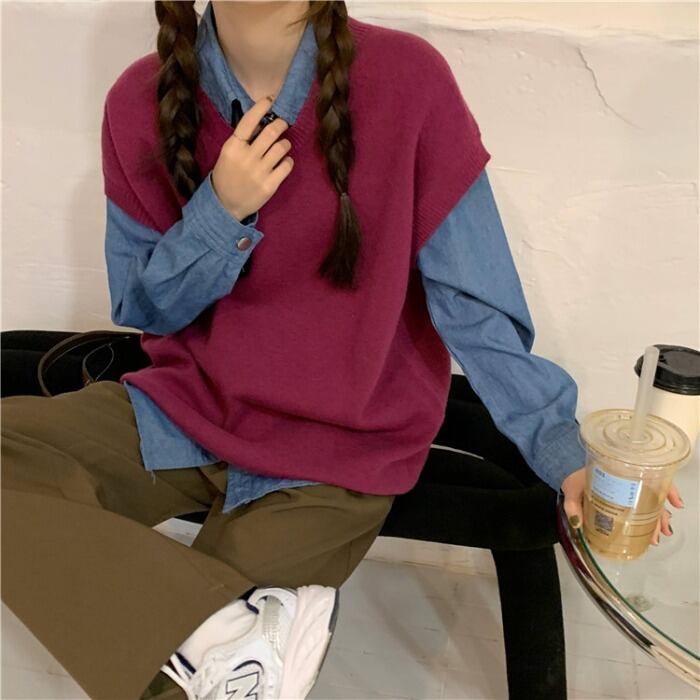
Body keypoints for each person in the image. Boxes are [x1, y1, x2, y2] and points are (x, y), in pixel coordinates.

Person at [2, 1, 682, 699]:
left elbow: (474, 307)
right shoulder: (137, 100)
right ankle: (218, 637)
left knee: (175, 689)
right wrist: (219, 213)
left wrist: (560, 449)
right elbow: (143, 310)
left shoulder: (407, 83)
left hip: (337, 454)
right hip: (183, 412)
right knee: (217, 671)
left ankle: (212, 644)